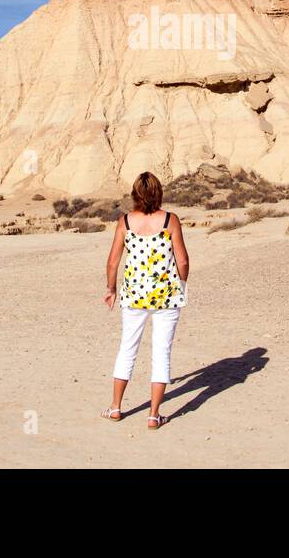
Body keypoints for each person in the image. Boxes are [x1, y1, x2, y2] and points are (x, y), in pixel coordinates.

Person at [101, 171, 189, 429]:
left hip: (134, 296)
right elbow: (182, 260)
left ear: (135, 195)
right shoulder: (170, 220)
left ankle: (116, 408)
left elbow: (113, 261)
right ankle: (153, 415)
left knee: (127, 349)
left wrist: (111, 289)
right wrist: (180, 285)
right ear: (159, 193)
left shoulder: (125, 222)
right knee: (161, 353)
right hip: (167, 296)